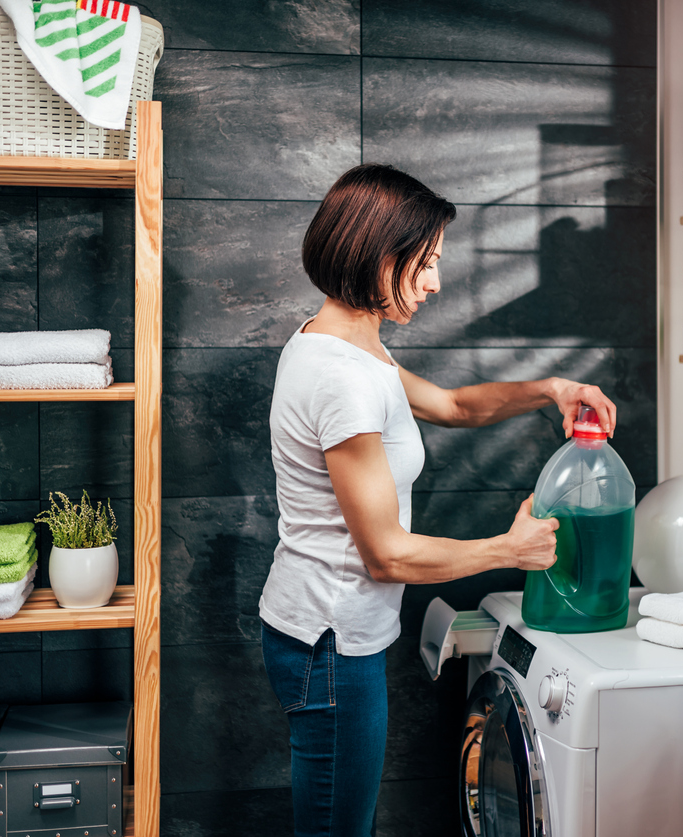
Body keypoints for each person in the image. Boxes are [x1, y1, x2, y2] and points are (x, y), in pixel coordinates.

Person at [259, 163, 619, 837]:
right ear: (377, 255)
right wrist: (510, 549)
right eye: (424, 263)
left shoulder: (349, 344)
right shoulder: (341, 377)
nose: (435, 281)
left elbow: (453, 404)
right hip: (330, 642)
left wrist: (550, 388)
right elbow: (387, 553)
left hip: (318, 631)